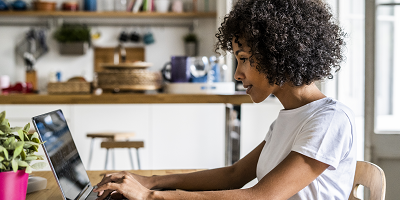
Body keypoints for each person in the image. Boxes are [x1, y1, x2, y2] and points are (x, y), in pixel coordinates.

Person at [93, 0, 357, 199]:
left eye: (243, 59)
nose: (237, 73)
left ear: (278, 55)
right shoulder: (287, 119)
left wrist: (151, 196)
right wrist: (151, 182)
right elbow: (235, 175)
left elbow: (261, 196)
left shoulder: (330, 120)